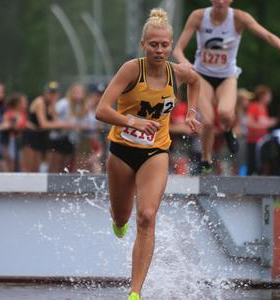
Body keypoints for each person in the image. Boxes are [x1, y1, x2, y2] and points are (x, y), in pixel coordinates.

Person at [95, 8, 200, 300]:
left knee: (147, 216)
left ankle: (134, 292)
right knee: (122, 216)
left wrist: (191, 113)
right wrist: (133, 121)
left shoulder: (175, 72)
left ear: (171, 45)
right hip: (122, 152)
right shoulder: (132, 69)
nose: (160, 49)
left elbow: (196, 81)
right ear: (143, 44)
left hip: (156, 152)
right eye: (153, 44)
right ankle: (119, 222)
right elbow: (101, 110)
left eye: (165, 45)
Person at [172, 0, 280, 174]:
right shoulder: (198, 16)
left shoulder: (239, 18)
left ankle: (228, 130)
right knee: (209, 121)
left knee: (226, 113)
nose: (220, 1)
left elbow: (267, 35)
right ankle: (205, 158)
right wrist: (185, 63)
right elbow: (177, 49)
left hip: (227, 76)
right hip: (201, 76)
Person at [20, 81, 72, 172]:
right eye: (51, 92)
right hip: (32, 137)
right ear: (45, 92)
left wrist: (61, 123)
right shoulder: (40, 102)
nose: (53, 95)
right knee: (30, 169)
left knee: (38, 169)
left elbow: (55, 121)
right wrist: (64, 124)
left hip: (42, 138)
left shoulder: (51, 105)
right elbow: (43, 124)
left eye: (55, 93)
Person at [49, 83, 86, 173]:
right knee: (55, 164)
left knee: (65, 165)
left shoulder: (79, 106)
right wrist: (62, 124)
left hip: (69, 138)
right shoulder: (64, 103)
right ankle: (52, 183)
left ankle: (61, 184)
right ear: (71, 93)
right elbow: (52, 113)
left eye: (80, 93)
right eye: (76, 93)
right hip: (58, 137)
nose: (78, 95)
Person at [245, 85, 277, 175]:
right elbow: (249, 123)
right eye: (268, 95)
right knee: (253, 165)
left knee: (263, 165)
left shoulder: (263, 108)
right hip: (254, 141)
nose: (270, 97)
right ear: (262, 96)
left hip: (262, 141)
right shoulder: (254, 107)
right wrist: (263, 126)